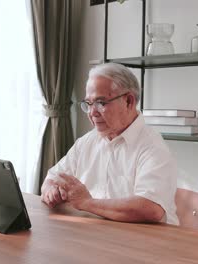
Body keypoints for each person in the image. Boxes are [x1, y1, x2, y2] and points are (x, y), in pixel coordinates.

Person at [40, 63, 179, 225]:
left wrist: (86, 203)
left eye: (101, 103)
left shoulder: (153, 146)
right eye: (89, 104)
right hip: (97, 234)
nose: (92, 113)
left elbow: (150, 208)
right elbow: (51, 178)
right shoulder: (86, 142)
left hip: (145, 242)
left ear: (128, 101)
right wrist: (51, 190)